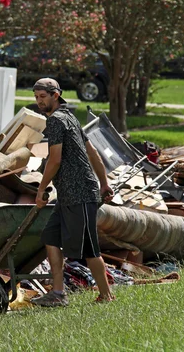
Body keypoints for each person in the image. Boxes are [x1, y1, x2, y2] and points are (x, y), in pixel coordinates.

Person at [30, 77, 115, 307]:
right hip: (66, 195)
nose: (39, 101)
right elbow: (92, 152)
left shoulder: (58, 121)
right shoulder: (69, 117)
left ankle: (106, 295)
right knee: (50, 237)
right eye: (36, 97)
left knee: (89, 248)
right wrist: (104, 183)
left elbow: (55, 160)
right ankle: (58, 293)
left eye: (43, 97)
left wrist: (40, 189)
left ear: (56, 95)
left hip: (81, 193)